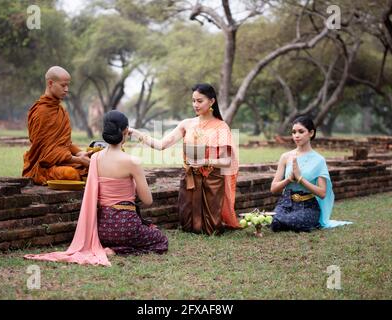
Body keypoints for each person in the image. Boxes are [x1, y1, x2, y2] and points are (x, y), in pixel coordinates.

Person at [24, 110, 168, 266]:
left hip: (101, 230)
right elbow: (147, 200)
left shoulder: (96, 158)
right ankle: (119, 250)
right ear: (126, 131)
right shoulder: (132, 161)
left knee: (139, 232)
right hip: (126, 226)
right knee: (160, 240)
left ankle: (113, 247)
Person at [130, 83, 239, 235]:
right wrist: (136, 133)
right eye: (193, 100)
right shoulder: (187, 124)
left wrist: (205, 162)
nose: (195, 104)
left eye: (200, 101)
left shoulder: (221, 127)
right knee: (189, 227)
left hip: (212, 180)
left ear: (212, 101)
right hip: (190, 177)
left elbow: (226, 161)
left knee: (212, 228)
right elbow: (161, 145)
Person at [269, 116, 352, 232]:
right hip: (286, 204)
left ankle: (296, 221)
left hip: (307, 206)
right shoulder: (285, 157)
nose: (296, 135)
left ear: (311, 133)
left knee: (294, 222)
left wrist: (300, 179)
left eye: (301, 132)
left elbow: (322, 193)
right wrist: (289, 179)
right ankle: (282, 220)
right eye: (294, 132)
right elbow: (273, 189)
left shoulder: (319, 160)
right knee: (273, 222)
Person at [22, 66, 91, 185]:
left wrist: (81, 153)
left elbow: (65, 143)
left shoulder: (61, 111)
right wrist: (78, 160)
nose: (66, 89)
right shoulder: (41, 112)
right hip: (43, 167)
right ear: (50, 83)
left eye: (68, 85)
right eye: (63, 85)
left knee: (96, 168)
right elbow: (45, 153)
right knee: (70, 174)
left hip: (63, 160)